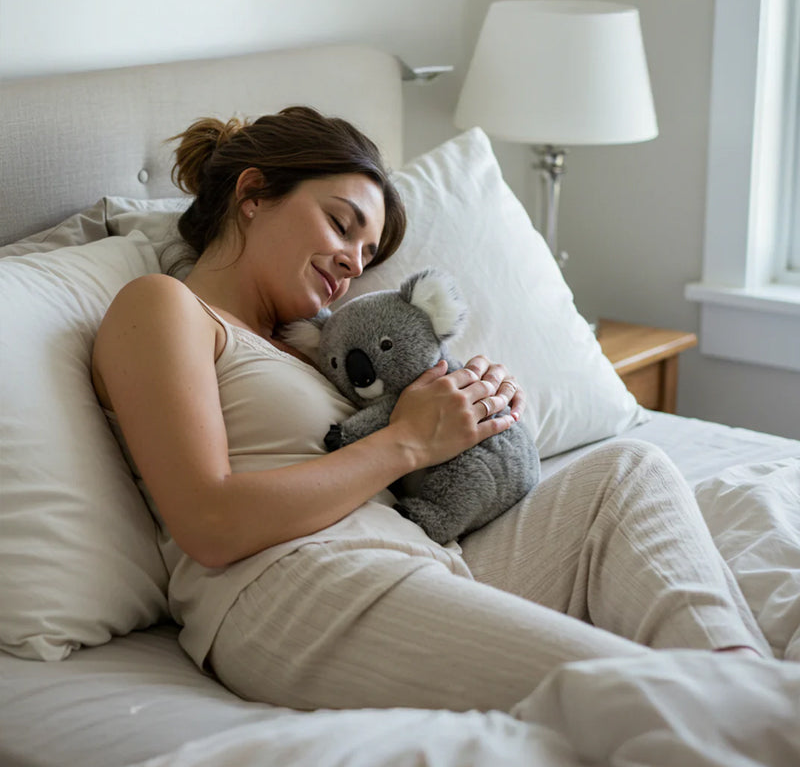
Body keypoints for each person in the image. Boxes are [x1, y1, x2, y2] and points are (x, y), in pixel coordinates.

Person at [92, 106, 769, 713]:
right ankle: (752, 715)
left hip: (420, 555)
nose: (351, 264)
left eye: (366, 254)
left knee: (628, 472)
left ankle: (749, 686)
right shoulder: (163, 307)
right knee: (646, 694)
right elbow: (210, 521)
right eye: (341, 223)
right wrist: (408, 442)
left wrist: (470, 416)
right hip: (291, 591)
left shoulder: (319, 349)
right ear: (252, 195)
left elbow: (394, 455)